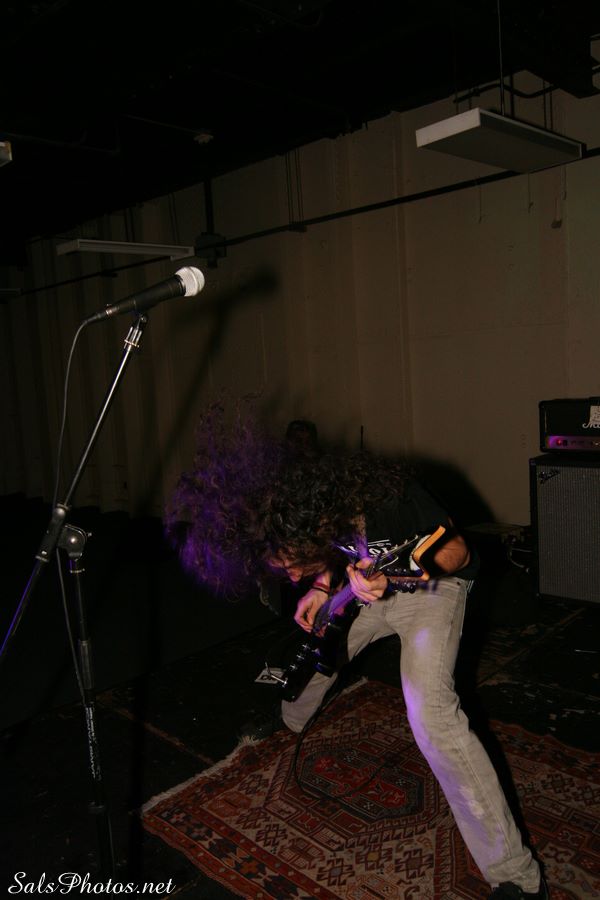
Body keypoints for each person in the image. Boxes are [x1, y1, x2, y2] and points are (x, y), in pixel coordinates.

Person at [167, 414, 547, 900]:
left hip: (433, 591)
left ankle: (517, 877)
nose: (289, 576)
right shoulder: (312, 512)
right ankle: (290, 721)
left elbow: (458, 551)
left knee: (431, 716)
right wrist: (322, 585)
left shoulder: (391, 498)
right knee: (318, 648)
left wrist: (395, 576)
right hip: (366, 591)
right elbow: (330, 552)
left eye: (290, 565)